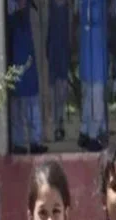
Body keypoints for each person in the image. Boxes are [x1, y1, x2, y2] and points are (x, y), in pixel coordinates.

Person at [7, 0, 47, 154]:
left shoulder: (30, 12)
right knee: (17, 105)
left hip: (28, 64)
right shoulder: (10, 12)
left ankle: (35, 141)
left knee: (32, 103)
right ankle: (18, 142)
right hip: (15, 63)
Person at [79, 0, 109, 152]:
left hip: (94, 51)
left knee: (93, 93)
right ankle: (91, 133)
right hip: (92, 51)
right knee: (92, 94)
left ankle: (89, 132)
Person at [47, 0, 70, 142]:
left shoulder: (65, 8)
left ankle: (60, 123)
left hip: (62, 53)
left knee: (61, 92)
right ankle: (57, 125)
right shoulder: (51, 7)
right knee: (54, 92)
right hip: (54, 52)